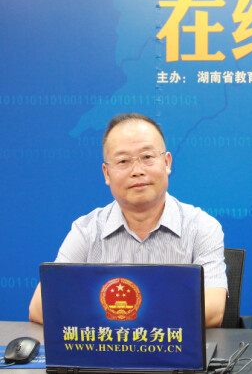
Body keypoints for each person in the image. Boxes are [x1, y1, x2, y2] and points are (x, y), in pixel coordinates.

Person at [29, 113, 227, 327]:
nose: (137, 171)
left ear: (167, 162)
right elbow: (39, 308)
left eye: (147, 157)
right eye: (123, 161)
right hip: (105, 348)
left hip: (176, 347)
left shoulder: (201, 227)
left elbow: (214, 309)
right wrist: (127, 328)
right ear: (107, 173)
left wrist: (118, 321)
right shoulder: (86, 231)